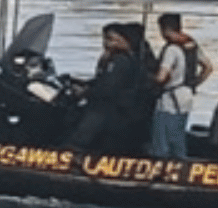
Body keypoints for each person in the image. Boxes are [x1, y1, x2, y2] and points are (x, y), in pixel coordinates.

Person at [65, 22, 153, 154]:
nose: (106, 43)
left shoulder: (120, 61)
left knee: (87, 126)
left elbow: (108, 88)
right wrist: (84, 83)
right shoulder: (116, 58)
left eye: (110, 39)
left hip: (112, 109)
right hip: (113, 106)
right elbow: (103, 80)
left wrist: (86, 92)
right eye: (106, 39)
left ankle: (74, 152)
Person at [149, 12, 213, 160]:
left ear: (164, 29)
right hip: (186, 96)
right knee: (178, 136)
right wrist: (193, 83)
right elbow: (208, 68)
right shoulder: (191, 44)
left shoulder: (172, 49)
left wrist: (148, 77)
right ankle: (181, 164)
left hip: (169, 99)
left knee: (162, 139)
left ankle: (161, 168)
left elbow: (161, 77)